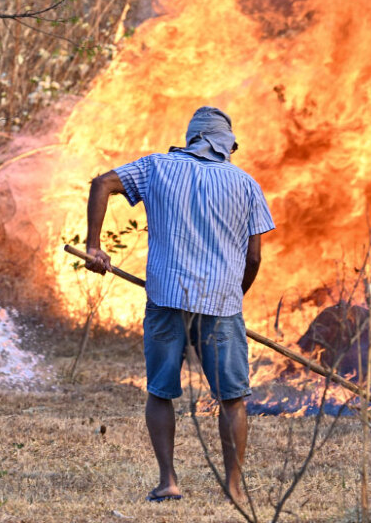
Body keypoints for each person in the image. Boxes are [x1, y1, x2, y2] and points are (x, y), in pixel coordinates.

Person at [84, 106, 274, 503]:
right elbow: (254, 258)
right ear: (226, 144)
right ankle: (235, 489)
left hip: (166, 298)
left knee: (160, 391)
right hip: (221, 305)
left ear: (190, 138)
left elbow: (101, 183)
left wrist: (94, 246)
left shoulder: (156, 167)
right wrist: (233, 295)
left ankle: (168, 480)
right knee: (232, 397)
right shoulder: (245, 183)